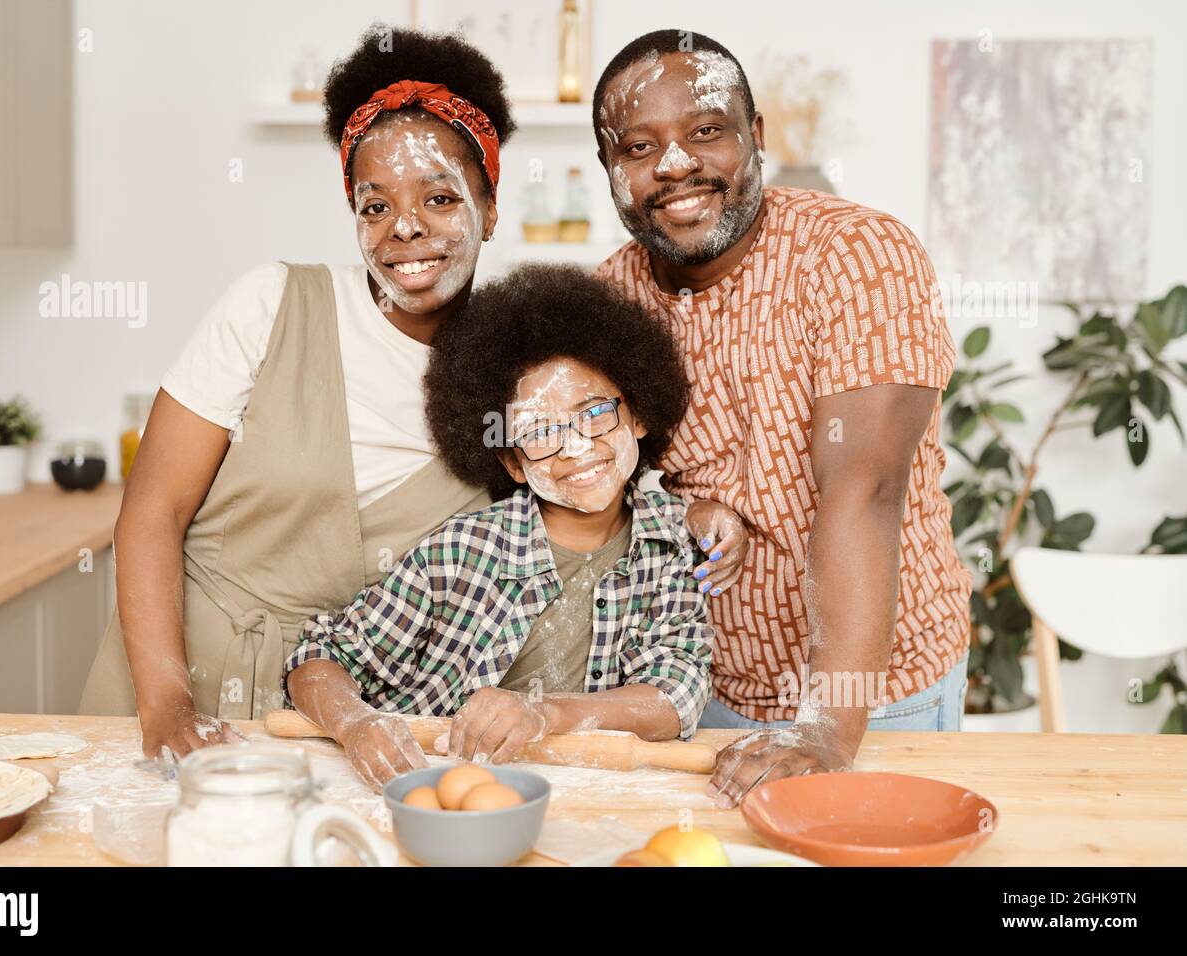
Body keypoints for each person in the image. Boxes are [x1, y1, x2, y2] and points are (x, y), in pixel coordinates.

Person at [78, 27, 516, 757]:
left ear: (491, 211)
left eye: (439, 198)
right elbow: (152, 512)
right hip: (179, 683)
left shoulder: (516, 370)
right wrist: (165, 707)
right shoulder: (272, 306)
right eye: (375, 207)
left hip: (354, 719)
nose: (404, 228)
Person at [591, 30, 973, 808]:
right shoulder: (606, 299)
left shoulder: (860, 255)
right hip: (695, 691)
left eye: (704, 131)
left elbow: (864, 493)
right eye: (639, 146)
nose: (674, 166)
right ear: (611, 171)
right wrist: (681, 506)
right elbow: (586, 486)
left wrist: (826, 731)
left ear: (755, 137)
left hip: (876, 695)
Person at [284, 264, 712, 788]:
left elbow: (678, 691)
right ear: (512, 463)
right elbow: (319, 656)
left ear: (639, 416)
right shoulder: (461, 553)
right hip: (431, 783)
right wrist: (356, 723)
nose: (575, 447)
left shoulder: (670, 547)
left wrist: (544, 712)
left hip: (573, 792)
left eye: (594, 413)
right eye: (539, 431)